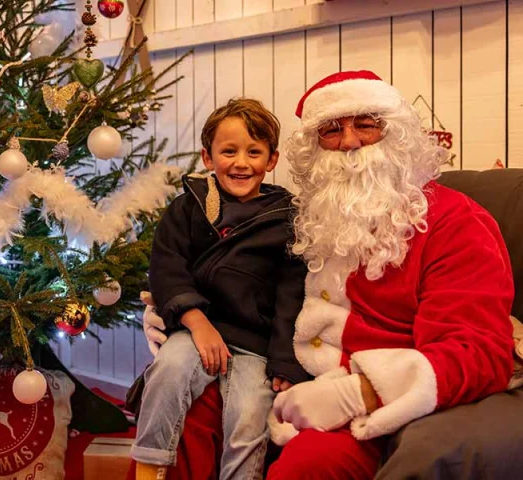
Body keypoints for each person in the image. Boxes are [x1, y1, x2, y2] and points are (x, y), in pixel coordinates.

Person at [140, 70, 515, 479]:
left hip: (383, 403)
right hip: (291, 375)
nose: (350, 141)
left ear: (397, 134)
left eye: (366, 125)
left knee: (305, 467)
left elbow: (478, 349)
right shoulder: (310, 218)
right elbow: (245, 281)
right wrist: (178, 311)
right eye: (332, 130)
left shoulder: (453, 219)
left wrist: (361, 391)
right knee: (189, 409)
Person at [132, 98, 309, 480]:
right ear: (208, 158)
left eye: (254, 152)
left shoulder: (287, 219)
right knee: (168, 371)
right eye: (228, 151)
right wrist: (196, 322)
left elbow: (291, 298)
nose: (241, 163)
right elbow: (166, 268)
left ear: (272, 160)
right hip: (197, 329)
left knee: (249, 413)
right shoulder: (186, 209)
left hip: (254, 345)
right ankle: (149, 466)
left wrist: (284, 362)